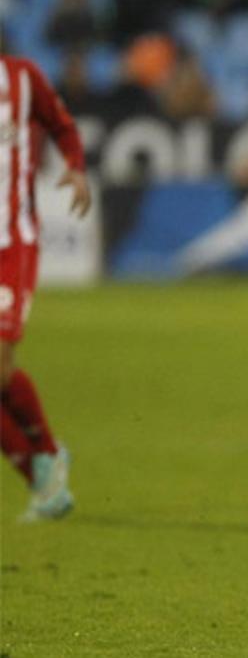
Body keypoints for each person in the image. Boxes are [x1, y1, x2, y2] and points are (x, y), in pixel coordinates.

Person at [0, 54, 90, 522]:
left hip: (10, 242)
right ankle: (44, 482)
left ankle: (49, 454)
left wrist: (75, 168)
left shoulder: (21, 77)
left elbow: (62, 125)